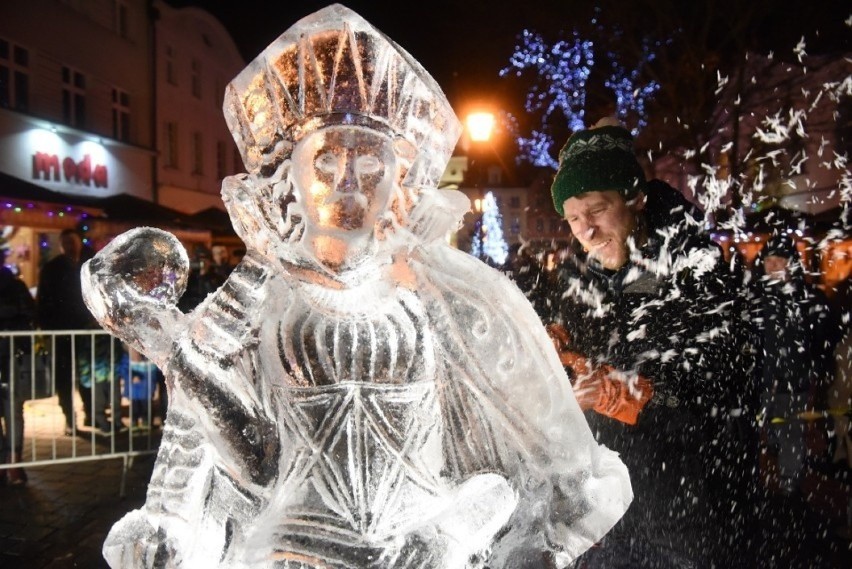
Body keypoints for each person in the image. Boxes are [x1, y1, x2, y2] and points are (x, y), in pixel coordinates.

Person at [83, 6, 632, 567]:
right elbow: (240, 461)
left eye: (370, 162)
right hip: (289, 553)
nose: (348, 181)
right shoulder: (249, 302)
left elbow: (504, 482)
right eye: (327, 160)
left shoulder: (444, 300)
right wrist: (164, 522)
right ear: (289, 179)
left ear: (400, 183)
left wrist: (448, 535)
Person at [546, 124, 756, 566]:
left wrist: (629, 394)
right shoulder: (581, 283)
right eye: (573, 219)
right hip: (608, 508)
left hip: (689, 507)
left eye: (597, 210)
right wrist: (550, 346)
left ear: (635, 199)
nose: (586, 230)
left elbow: (724, 392)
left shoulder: (696, 270)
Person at [750, 231, 836, 495]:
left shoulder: (805, 298)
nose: (773, 265)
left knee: (790, 433)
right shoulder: (755, 298)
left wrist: (817, 368)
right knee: (767, 432)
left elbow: (824, 336)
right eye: (769, 260)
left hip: (792, 379)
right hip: (761, 380)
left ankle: (790, 484)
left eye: (779, 260)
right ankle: (770, 475)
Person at [36, 228, 98, 433]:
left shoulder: (89, 266)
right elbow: (43, 300)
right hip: (61, 330)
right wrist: (46, 328)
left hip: (86, 329)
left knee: (87, 374)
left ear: (79, 242)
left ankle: (91, 413)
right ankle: (70, 419)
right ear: (61, 246)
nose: (70, 247)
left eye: (73, 242)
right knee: (64, 375)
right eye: (66, 243)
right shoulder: (52, 269)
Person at [0, 243, 35, 485]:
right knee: (13, 408)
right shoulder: (15, 285)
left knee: (13, 407)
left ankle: (12, 461)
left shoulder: (14, 285)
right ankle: (10, 462)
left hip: (12, 352)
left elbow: (30, 315)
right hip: (13, 351)